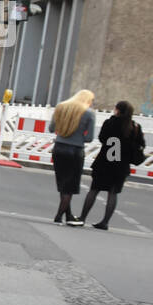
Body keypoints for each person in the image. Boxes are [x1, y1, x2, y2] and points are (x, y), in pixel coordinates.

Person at [79, 100, 144, 229]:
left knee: (94, 190)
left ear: (118, 110)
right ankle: (105, 222)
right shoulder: (134, 127)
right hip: (121, 165)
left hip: (105, 162)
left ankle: (82, 218)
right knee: (113, 193)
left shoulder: (110, 123)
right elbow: (141, 144)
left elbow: (102, 138)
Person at [50, 89, 96, 225]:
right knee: (70, 186)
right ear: (87, 100)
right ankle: (58, 216)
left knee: (63, 184)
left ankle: (68, 214)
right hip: (75, 151)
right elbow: (89, 138)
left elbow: (51, 128)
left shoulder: (61, 107)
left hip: (58, 148)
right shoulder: (88, 113)